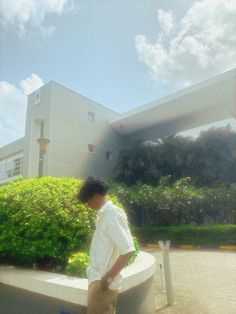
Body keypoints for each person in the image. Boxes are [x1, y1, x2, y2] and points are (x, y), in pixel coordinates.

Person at [78, 176, 136, 314]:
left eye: (88, 200)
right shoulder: (104, 215)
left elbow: (128, 250)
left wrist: (107, 279)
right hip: (99, 282)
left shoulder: (112, 215)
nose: (87, 205)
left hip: (103, 284)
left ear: (96, 195)